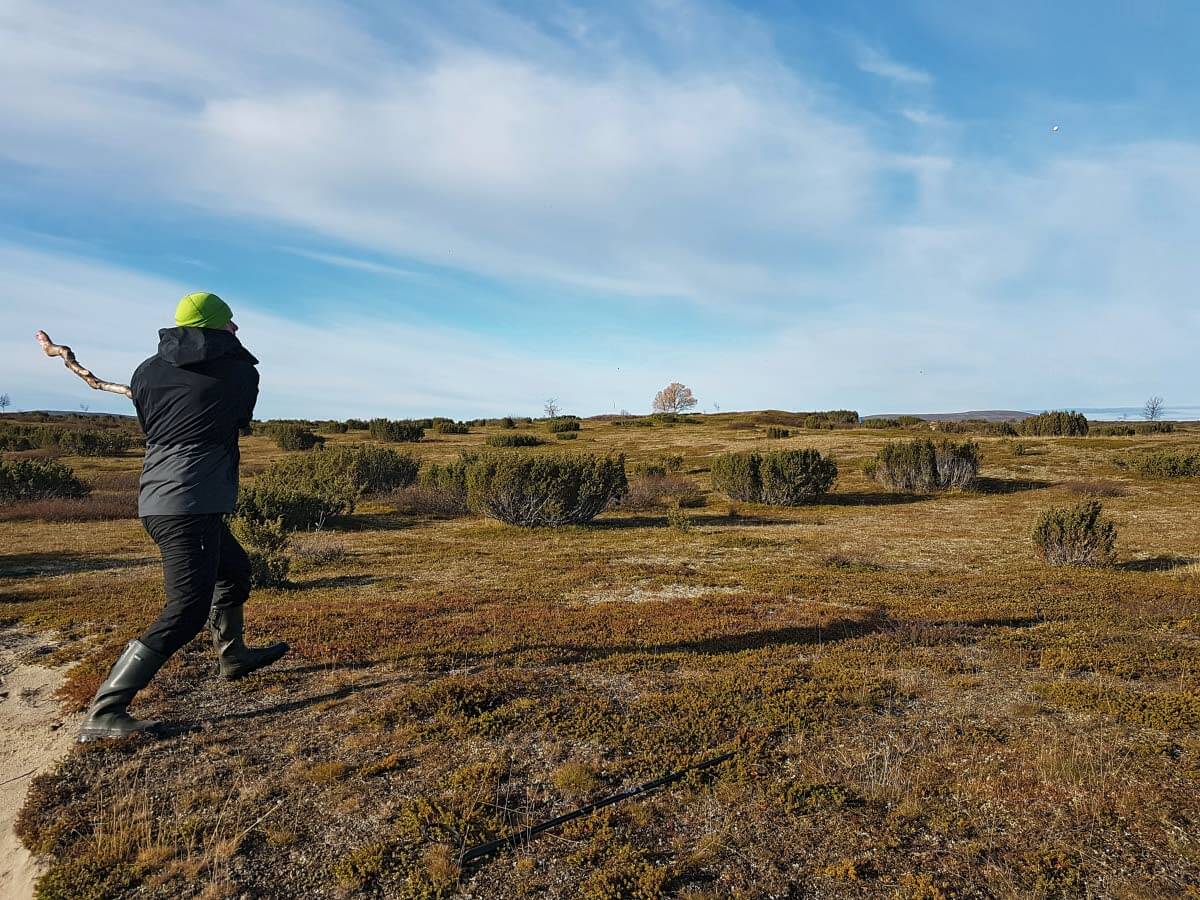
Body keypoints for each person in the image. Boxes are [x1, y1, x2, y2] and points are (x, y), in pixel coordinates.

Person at [77, 292, 289, 743]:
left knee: (233, 571)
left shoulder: (146, 371)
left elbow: (152, 426)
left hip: (160, 496)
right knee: (186, 610)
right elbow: (240, 418)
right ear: (216, 327)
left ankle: (233, 657)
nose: (237, 330)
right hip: (188, 504)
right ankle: (105, 710)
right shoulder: (238, 372)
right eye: (230, 323)